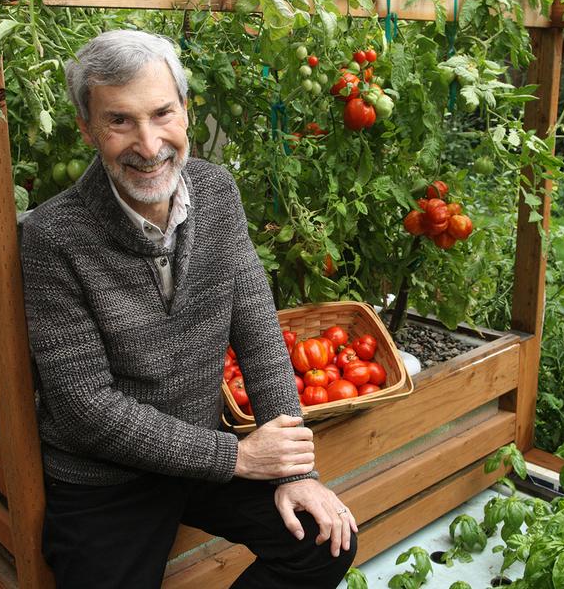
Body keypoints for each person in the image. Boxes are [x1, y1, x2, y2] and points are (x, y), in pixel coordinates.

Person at [20, 29, 358, 588]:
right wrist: (238, 460)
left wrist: (295, 472)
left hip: (207, 451)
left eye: (162, 113)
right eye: (120, 121)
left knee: (323, 541)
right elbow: (85, 407)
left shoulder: (217, 191)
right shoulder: (54, 235)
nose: (149, 145)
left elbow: (257, 332)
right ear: (87, 129)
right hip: (108, 477)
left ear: (185, 109)